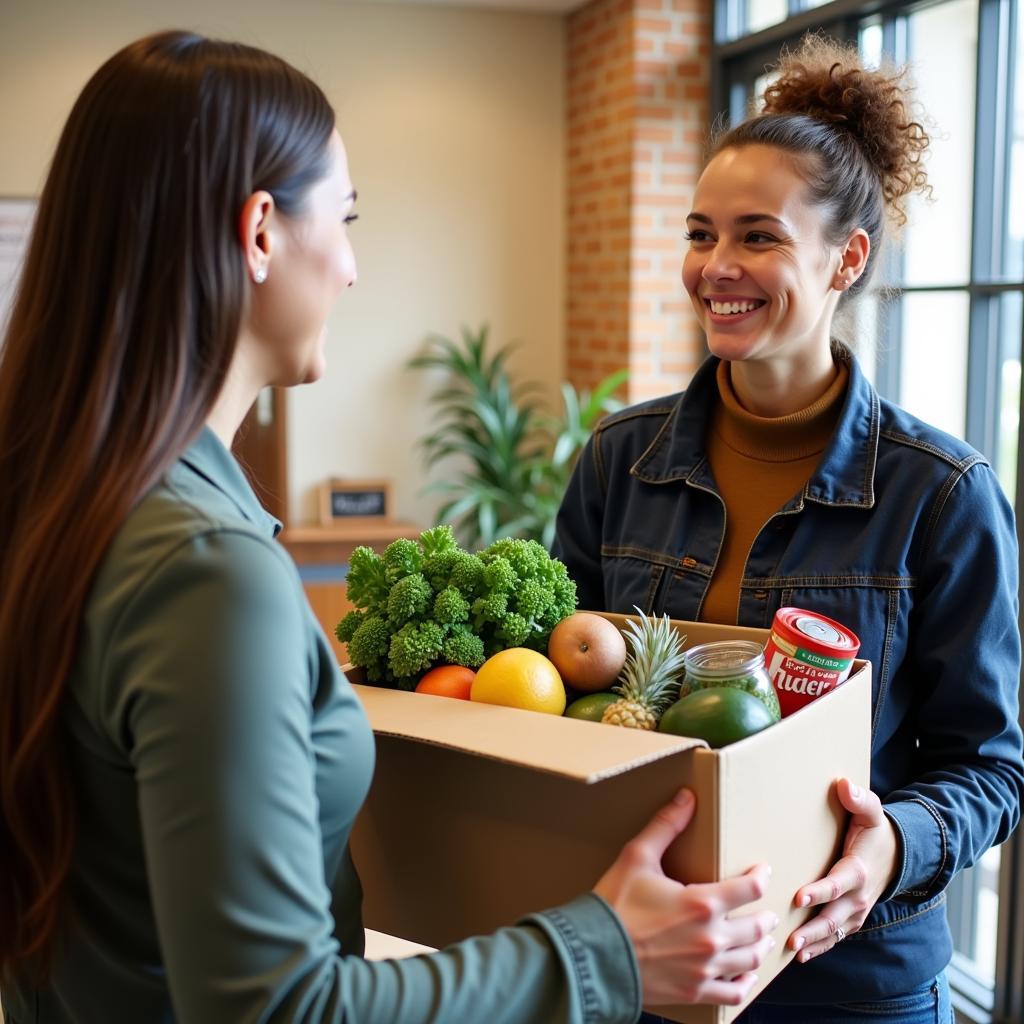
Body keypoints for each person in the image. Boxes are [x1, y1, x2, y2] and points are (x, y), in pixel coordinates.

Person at [0, 31, 780, 1024]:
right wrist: (605, 948)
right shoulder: (204, 572)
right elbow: (276, 1008)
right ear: (260, 233)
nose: (355, 266)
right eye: (348, 217)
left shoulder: (50, 499)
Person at [553, 35, 1024, 1024]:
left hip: (849, 977)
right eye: (700, 233)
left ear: (845, 257)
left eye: (758, 237)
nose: (715, 268)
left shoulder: (940, 492)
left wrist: (894, 842)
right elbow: (556, 688)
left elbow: (990, 761)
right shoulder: (618, 458)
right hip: (653, 958)